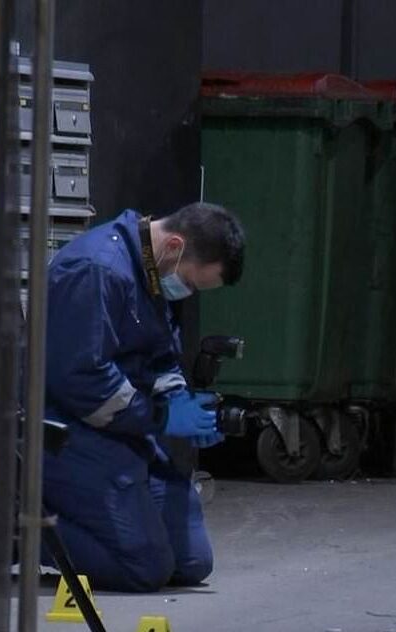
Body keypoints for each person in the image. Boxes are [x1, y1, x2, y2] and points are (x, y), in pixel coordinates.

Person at [41, 202, 245, 592]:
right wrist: (161, 418)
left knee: (192, 562)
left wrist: (182, 403)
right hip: (68, 430)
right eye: (191, 283)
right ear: (174, 246)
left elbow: (160, 355)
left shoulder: (154, 274)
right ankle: (18, 532)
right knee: (144, 568)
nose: (186, 291)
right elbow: (79, 378)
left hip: (122, 428)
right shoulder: (96, 270)